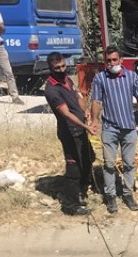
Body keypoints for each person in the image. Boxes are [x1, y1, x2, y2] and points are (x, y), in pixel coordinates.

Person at [89, 46, 138, 214]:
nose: (112, 63)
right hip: (110, 128)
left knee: (129, 163)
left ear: (121, 60)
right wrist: (94, 121)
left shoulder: (131, 77)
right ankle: (110, 196)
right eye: (108, 61)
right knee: (109, 164)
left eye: (115, 60)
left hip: (129, 128)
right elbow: (96, 101)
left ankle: (128, 193)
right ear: (105, 62)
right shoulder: (100, 78)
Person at [43, 52, 96, 215]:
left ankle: (84, 186)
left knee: (89, 158)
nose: (61, 69)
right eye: (57, 68)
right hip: (69, 133)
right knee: (73, 168)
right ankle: (70, 205)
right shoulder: (51, 89)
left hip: (80, 130)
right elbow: (66, 114)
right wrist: (86, 127)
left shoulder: (66, 79)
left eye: (63, 66)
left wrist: (85, 109)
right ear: (51, 68)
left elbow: (78, 95)